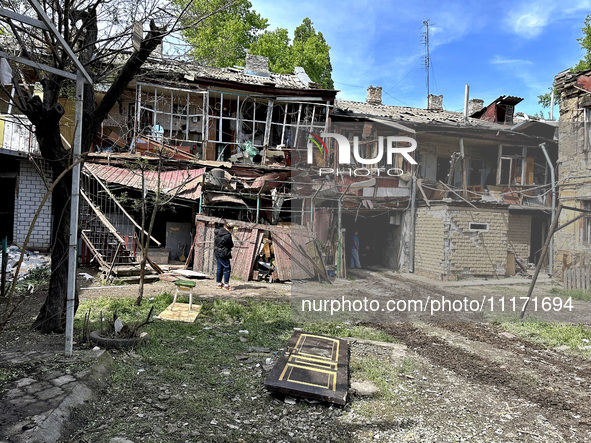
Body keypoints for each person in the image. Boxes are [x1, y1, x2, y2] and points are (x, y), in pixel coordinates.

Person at [214, 222, 235, 290]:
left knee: (219, 267)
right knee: (227, 268)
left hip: (217, 251)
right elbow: (231, 245)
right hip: (224, 253)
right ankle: (226, 285)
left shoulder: (218, 232)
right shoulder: (227, 235)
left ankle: (219, 284)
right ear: (231, 229)